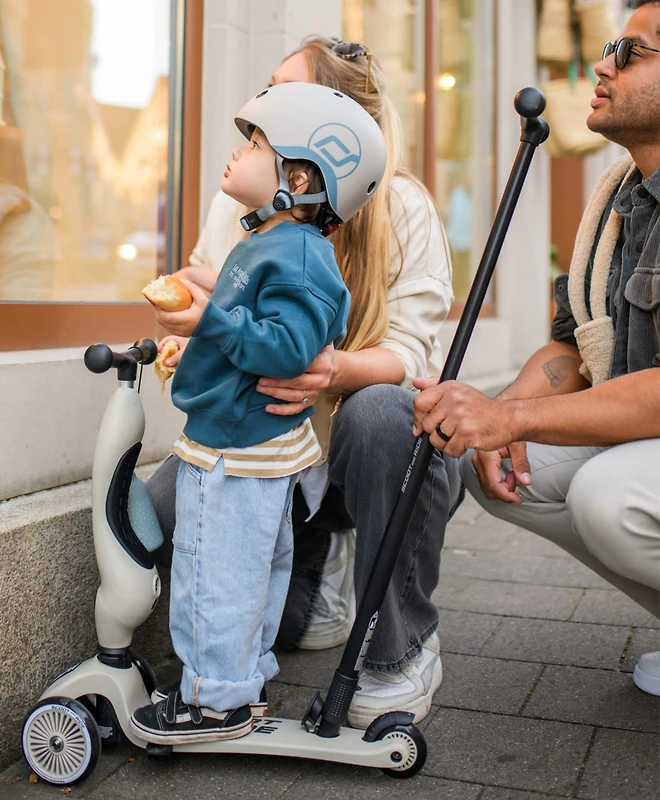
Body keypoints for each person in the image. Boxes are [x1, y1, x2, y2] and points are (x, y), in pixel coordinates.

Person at [146, 36, 459, 729]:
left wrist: (332, 371)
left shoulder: (399, 205)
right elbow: (214, 298)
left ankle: (399, 647)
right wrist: (187, 331)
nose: (258, 108)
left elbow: (411, 355)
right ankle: (316, 569)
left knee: (378, 416)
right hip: (265, 447)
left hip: (354, 453)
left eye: (283, 92)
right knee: (167, 511)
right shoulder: (242, 202)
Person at [412, 0, 660, 698]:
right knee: (497, 469)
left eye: (631, 52)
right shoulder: (620, 199)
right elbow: (572, 348)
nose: (602, 65)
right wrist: (500, 411)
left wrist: (513, 420)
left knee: (610, 497)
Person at [130, 81, 387, 744]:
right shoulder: (269, 244)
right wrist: (201, 313)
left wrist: (209, 318)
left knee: (211, 571)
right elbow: (251, 320)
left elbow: (291, 346)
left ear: (299, 175)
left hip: (239, 453)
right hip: (245, 443)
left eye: (255, 143)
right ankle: (239, 681)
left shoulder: (297, 254)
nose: (237, 152)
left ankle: (214, 701)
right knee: (247, 571)